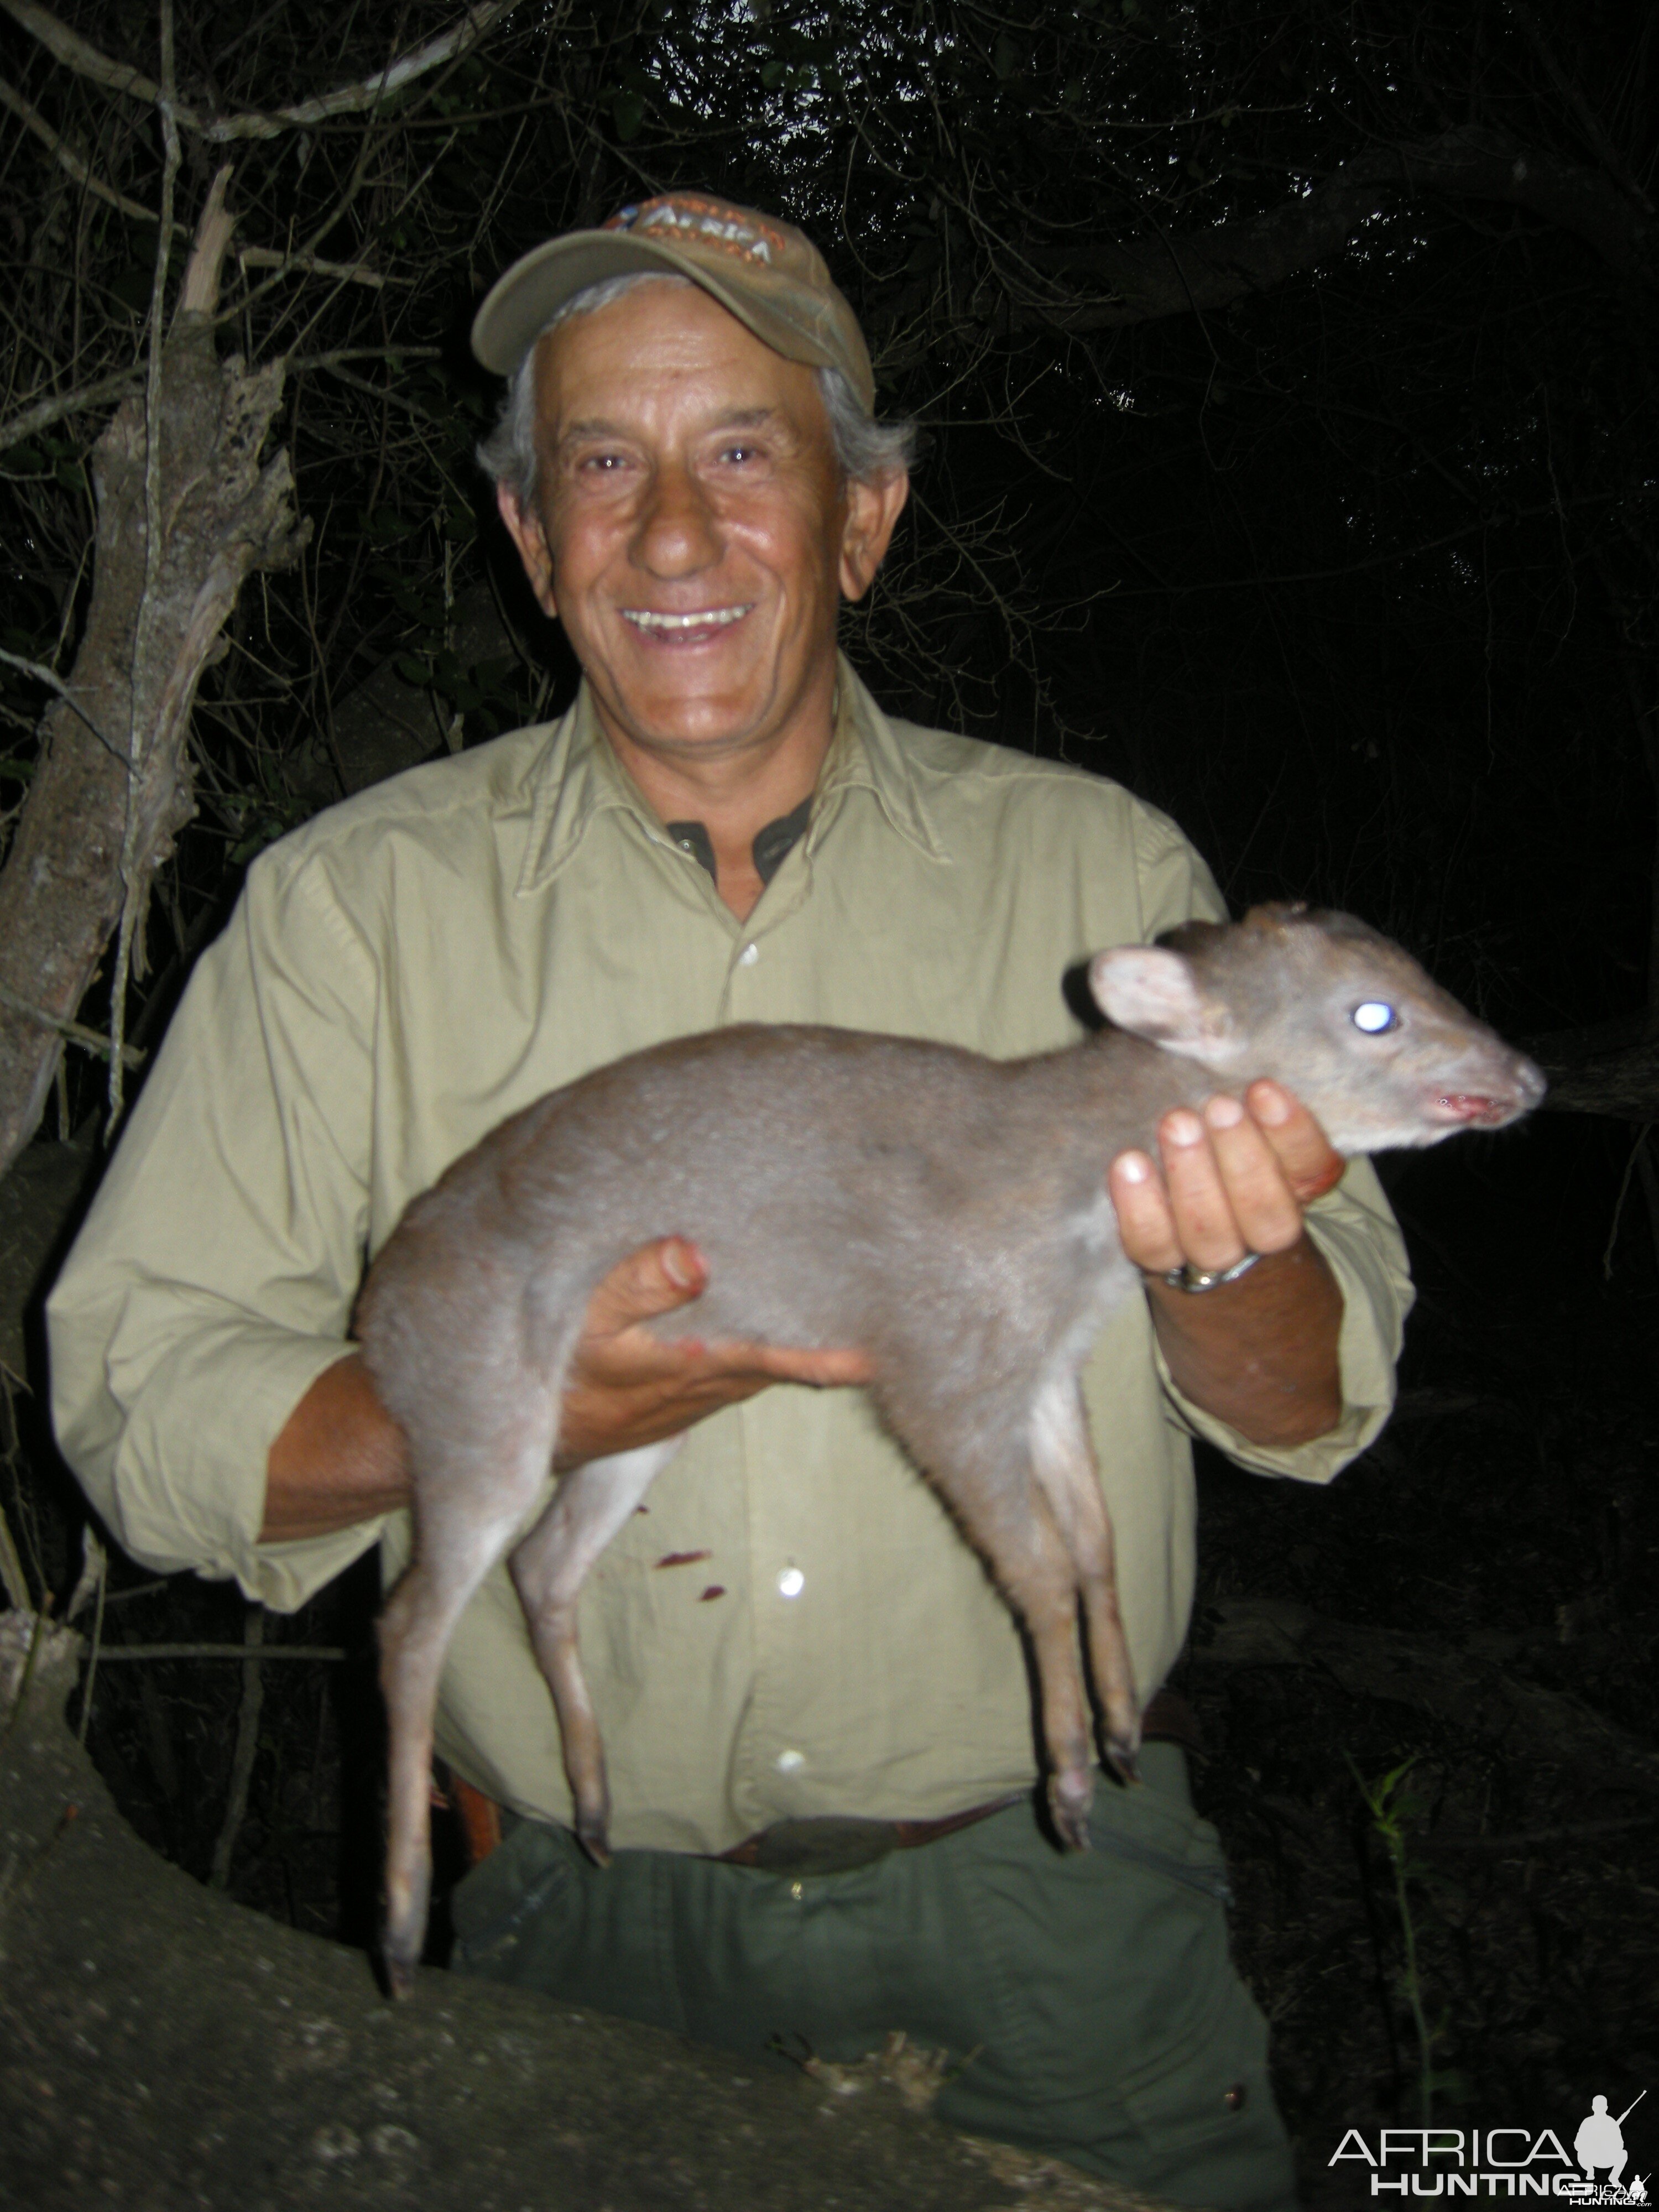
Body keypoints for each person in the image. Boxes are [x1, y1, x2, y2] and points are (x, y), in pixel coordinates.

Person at [48, 191, 1411, 2210]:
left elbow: (1313, 1406)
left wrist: (1225, 1245)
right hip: (567, 1944)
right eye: (603, 463)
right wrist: (500, 1416)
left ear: (866, 518)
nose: (671, 535)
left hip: (1045, 1920)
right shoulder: (351, 913)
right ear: (530, 540)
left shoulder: (1100, 876)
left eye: (744, 455)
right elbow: (137, 1410)